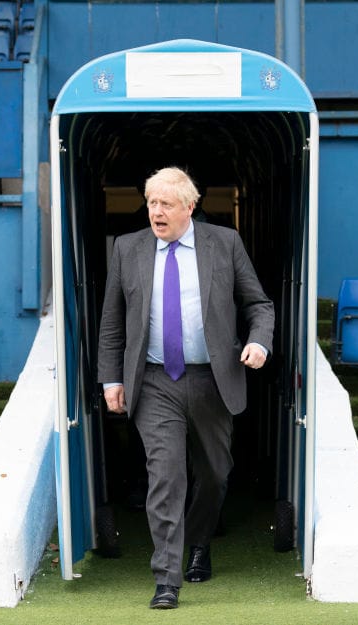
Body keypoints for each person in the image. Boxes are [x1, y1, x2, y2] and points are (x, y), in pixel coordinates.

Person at [97, 167, 275, 609]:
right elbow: (112, 321)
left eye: (166, 204)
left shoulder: (225, 243)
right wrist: (111, 378)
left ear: (190, 207)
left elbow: (259, 304)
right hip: (155, 380)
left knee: (214, 473)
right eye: (151, 203)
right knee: (166, 475)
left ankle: (199, 541)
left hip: (213, 378)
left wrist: (258, 342)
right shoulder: (127, 248)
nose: (156, 212)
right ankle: (166, 579)